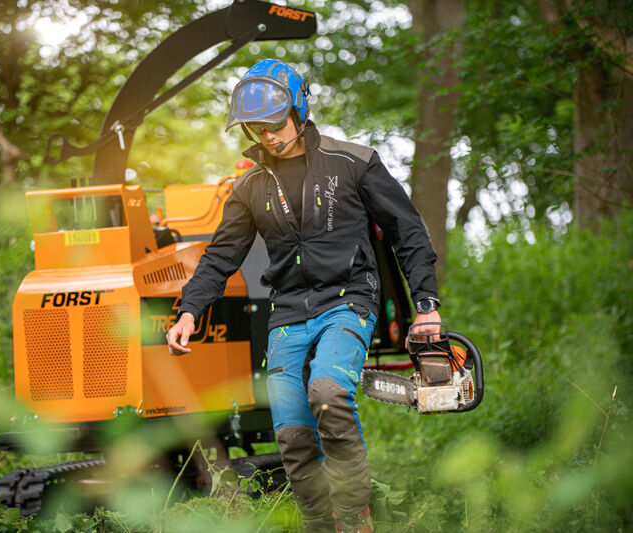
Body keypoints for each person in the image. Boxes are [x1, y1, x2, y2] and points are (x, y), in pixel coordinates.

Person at [166, 59, 441, 533]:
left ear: (299, 109)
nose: (269, 137)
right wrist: (189, 310)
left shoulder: (353, 161)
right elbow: (220, 255)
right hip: (288, 312)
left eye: (276, 125)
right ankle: (319, 525)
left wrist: (426, 307)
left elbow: (408, 231)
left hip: (348, 299)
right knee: (292, 435)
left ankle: (355, 521)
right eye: (257, 128)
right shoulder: (249, 186)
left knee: (329, 394)